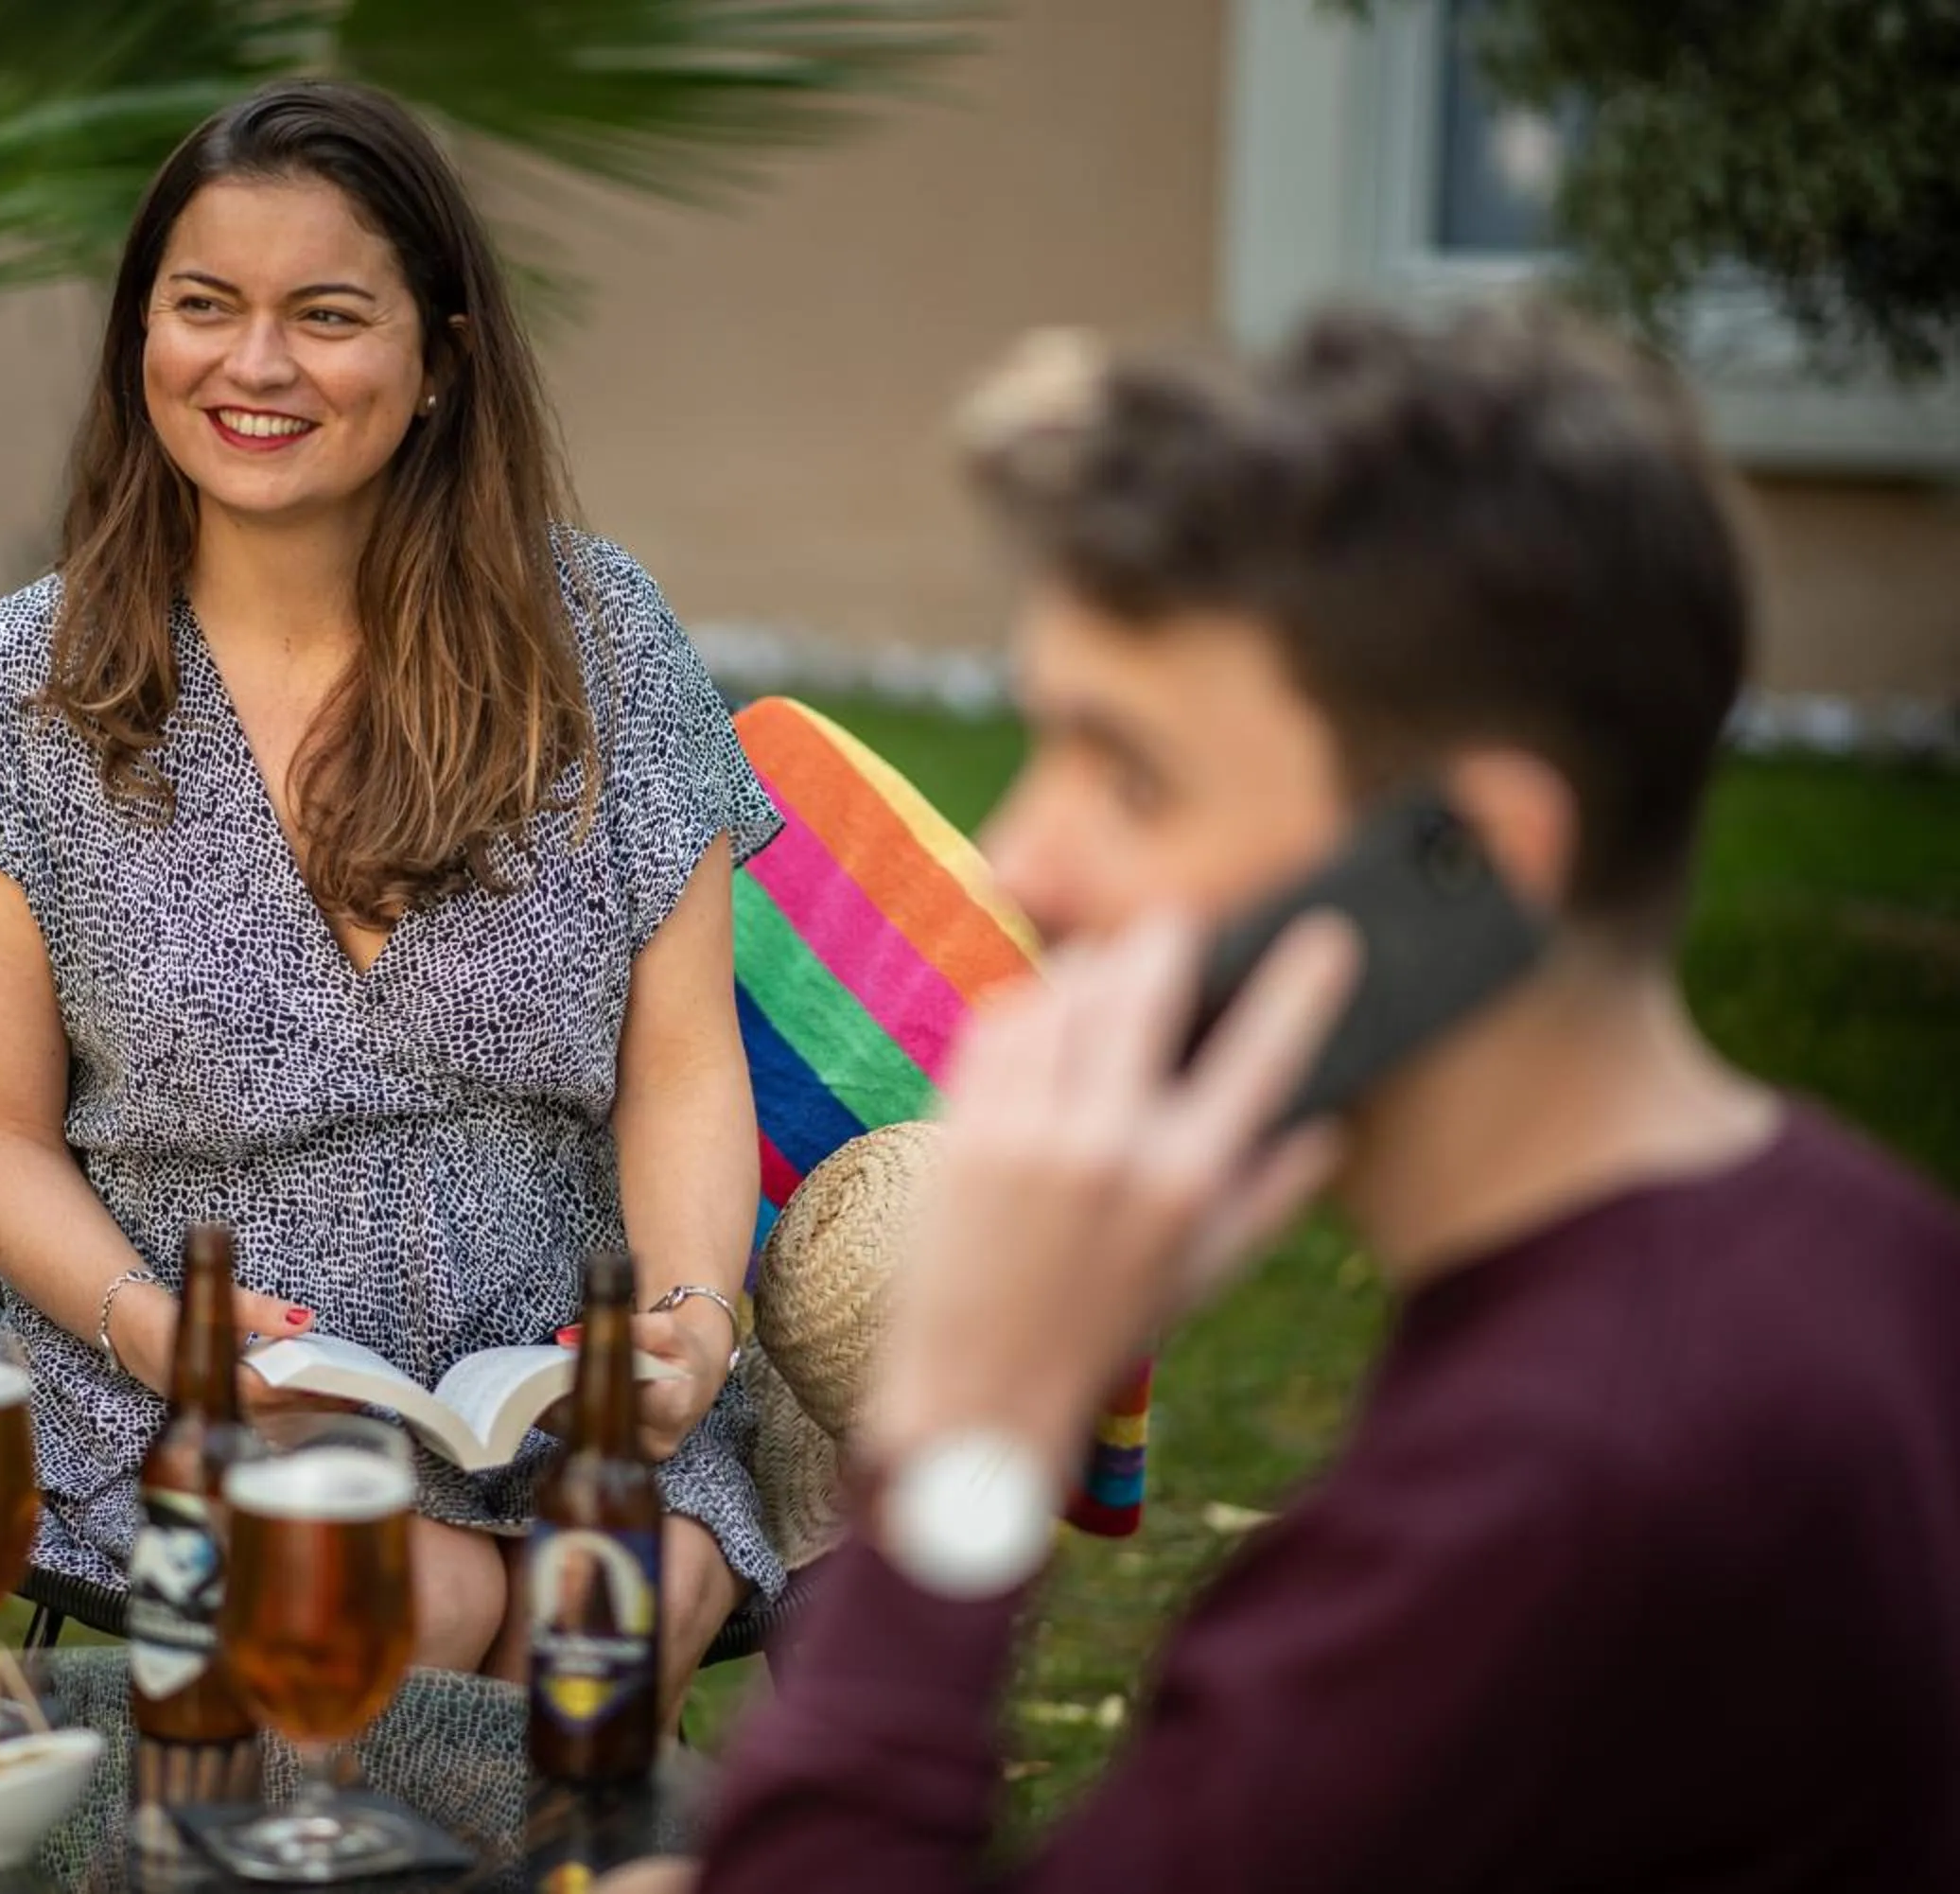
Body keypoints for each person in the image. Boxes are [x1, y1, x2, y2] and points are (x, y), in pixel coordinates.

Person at [690, 305, 1960, 1889]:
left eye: (1134, 771)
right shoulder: (1870, 1246)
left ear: (1468, 865)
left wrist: (971, 1430)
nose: (1022, 860)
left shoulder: (1530, 1531)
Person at [0, 79, 778, 1698]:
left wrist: (694, 1320)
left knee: (620, 1586)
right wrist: (158, 1331)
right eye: (203, 306)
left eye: (327, 315)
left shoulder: (600, 642)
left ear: (440, 357)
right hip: (191, 1374)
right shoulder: (21, 692)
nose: (255, 364)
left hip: (560, 1371)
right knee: (402, 1598)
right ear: (142, 335)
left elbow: (685, 1063)